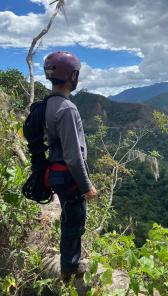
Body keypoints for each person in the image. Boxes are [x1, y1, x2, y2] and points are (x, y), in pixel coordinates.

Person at [43, 51, 97, 280]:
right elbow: (74, 156)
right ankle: (70, 267)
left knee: (69, 217)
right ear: (72, 75)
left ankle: (69, 261)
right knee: (75, 220)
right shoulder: (67, 108)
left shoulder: (46, 104)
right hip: (68, 176)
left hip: (54, 172)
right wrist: (87, 186)